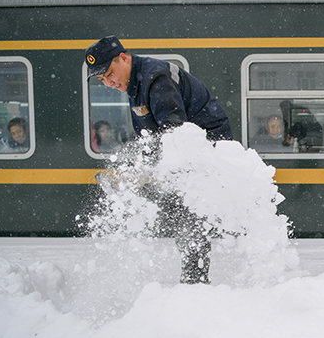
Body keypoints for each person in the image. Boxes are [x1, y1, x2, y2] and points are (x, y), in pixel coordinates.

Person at [85, 35, 233, 284]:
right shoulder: (134, 83)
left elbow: (173, 132)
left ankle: (195, 285)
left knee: (188, 212)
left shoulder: (155, 78)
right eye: (102, 80)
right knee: (179, 209)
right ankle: (193, 279)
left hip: (207, 146)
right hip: (186, 148)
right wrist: (141, 167)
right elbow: (150, 136)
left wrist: (146, 172)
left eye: (110, 73)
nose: (109, 82)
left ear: (123, 58)